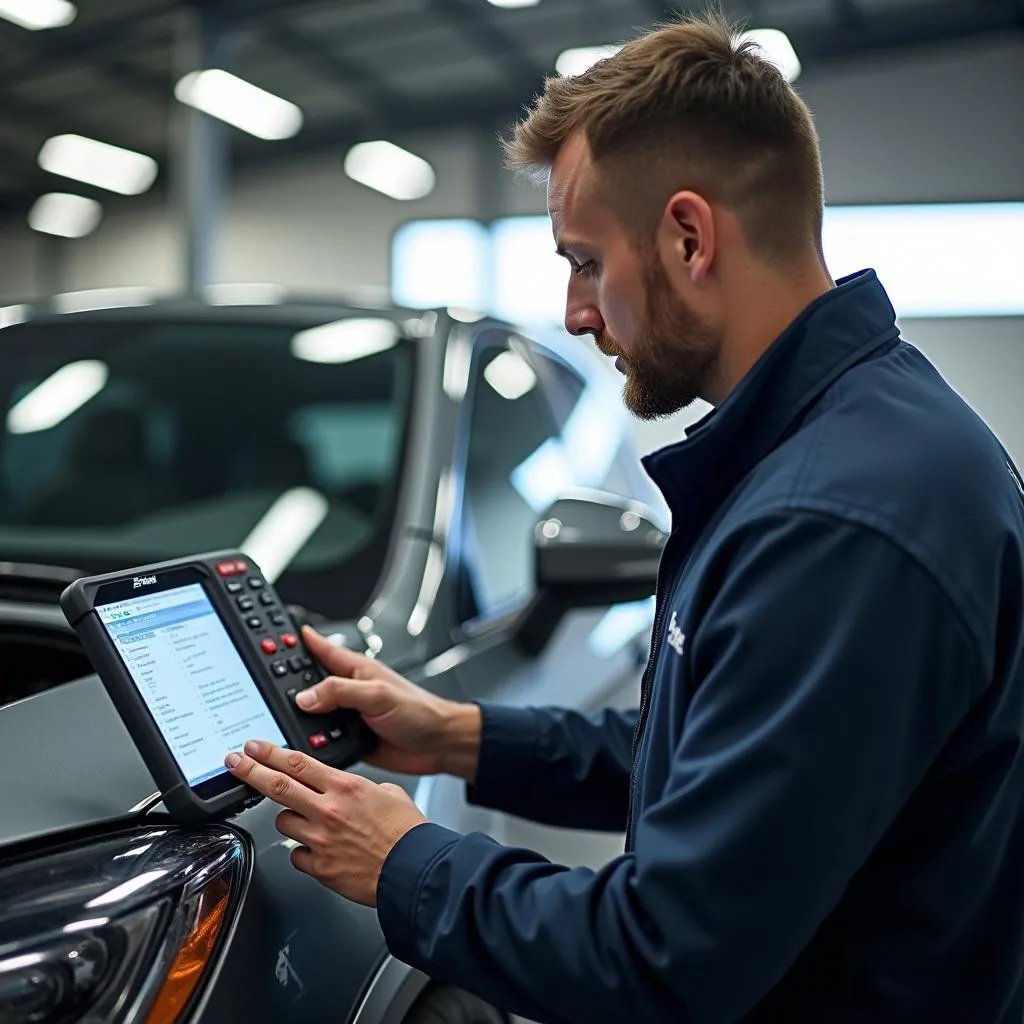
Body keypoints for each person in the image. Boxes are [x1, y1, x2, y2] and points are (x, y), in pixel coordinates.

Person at [225, 10, 1024, 1023]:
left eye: (584, 260)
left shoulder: (839, 519)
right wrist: (456, 734)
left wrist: (405, 860)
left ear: (689, 236)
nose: (573, 310)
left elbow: (667, 957)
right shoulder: (834, 442)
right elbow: (718, 758)